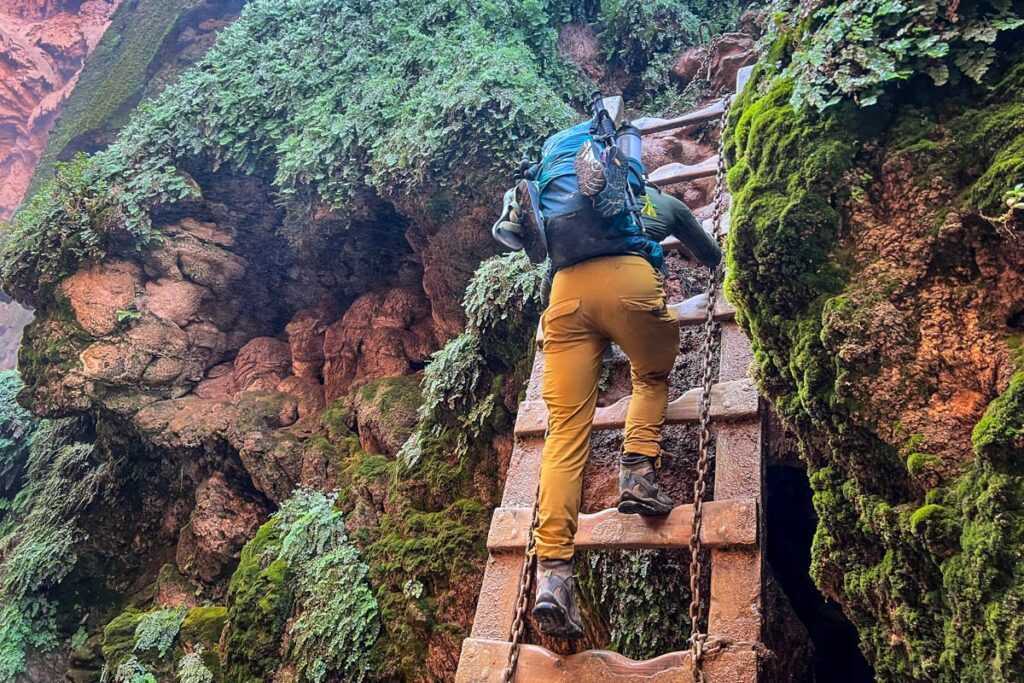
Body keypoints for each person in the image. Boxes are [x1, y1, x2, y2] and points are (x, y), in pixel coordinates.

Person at [492, 98, 722, 638]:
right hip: (631, 284)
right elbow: (710, 256)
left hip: (565, 298)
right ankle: (638, 471)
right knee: (651, 375)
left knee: (564, 434)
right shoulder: (658, 202)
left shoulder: (558, 209)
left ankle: (553, 575)